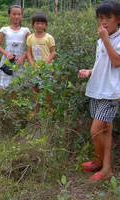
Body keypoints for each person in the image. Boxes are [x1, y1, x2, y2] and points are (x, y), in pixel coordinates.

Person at [78, 0, 120, 181]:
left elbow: (117, 62)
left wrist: (105, 39)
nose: (104, 22)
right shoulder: (100, 40)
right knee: (105, 131)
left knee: (96, 130)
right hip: (97, 89)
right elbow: (103, 64)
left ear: (118, 19)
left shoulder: (115, 39)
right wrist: (90, 71)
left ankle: (103, 164)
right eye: (101, 18)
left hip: (111, 93)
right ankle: (104, 167)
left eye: (108, 18)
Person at [0, 5, 30, 89]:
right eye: (14, 14)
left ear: (22, 16)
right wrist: (6, 53)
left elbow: (30, 47)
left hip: (20, 61)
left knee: (20, 82)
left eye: (19, 14)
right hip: (7, 61)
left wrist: (23, 57)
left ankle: (17, 101)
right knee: (5, 84)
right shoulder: (5, 30)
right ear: (9, 15)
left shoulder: (25, 31)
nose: (16, 16)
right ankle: (5, 101)